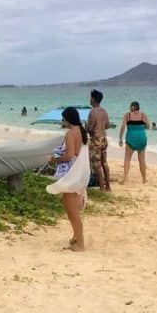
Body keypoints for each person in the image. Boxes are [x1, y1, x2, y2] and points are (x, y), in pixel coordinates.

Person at [47, 107, 89, 251]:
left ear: (68, 119)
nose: (62, 121)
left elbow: (70, 155)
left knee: (72, 211)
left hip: (73, 173)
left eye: (63, 119)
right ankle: (76, 237)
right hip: (79, 172)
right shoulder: (82, 132)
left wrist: (54, 160)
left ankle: (80, 243)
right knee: (70, 206)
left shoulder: (71, 133)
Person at [118, 101, 150, 184]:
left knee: (127, 159)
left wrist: (120, 138)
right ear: (138, 107)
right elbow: (148, 126)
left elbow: (123, 127)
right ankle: (144, 179)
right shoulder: (143, 115)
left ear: (132, 107)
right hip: (141, 138)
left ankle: (125, 179)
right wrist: (140, 127)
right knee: (142, 160)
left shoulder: (127, 115)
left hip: (131, 138)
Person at [86, 89, 111, 191]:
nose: (89, 100)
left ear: (93, 99)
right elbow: (108, 125)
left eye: (90, 98)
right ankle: (108, 186)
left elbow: (90, 128)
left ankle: (101, 187)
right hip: (104, 138)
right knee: (104, 162)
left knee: (97, 164)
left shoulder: (92, 112)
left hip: (96, 139)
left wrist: (86, 126)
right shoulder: (104, 111)